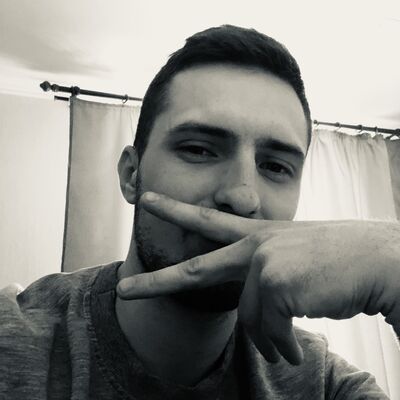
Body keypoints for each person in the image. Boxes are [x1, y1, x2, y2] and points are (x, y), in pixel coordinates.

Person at [0, 24, 398, 399]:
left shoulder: (321, 383)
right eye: (198, 150)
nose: (242, 197)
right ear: (132, 175)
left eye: (275, 167)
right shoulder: (13, 340)